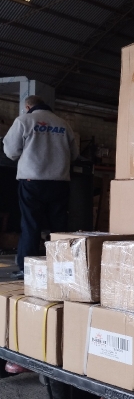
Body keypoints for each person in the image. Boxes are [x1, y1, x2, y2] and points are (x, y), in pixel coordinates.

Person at [3, 95, 78, 277]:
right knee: (59, 227)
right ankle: (62, 268)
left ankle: (27, 269)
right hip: (59, 182)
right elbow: (74, 155)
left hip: (32, 182)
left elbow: (11, 151)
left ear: (28, 107)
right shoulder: (63, 124)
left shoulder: (24, 121)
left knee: (31, 224)